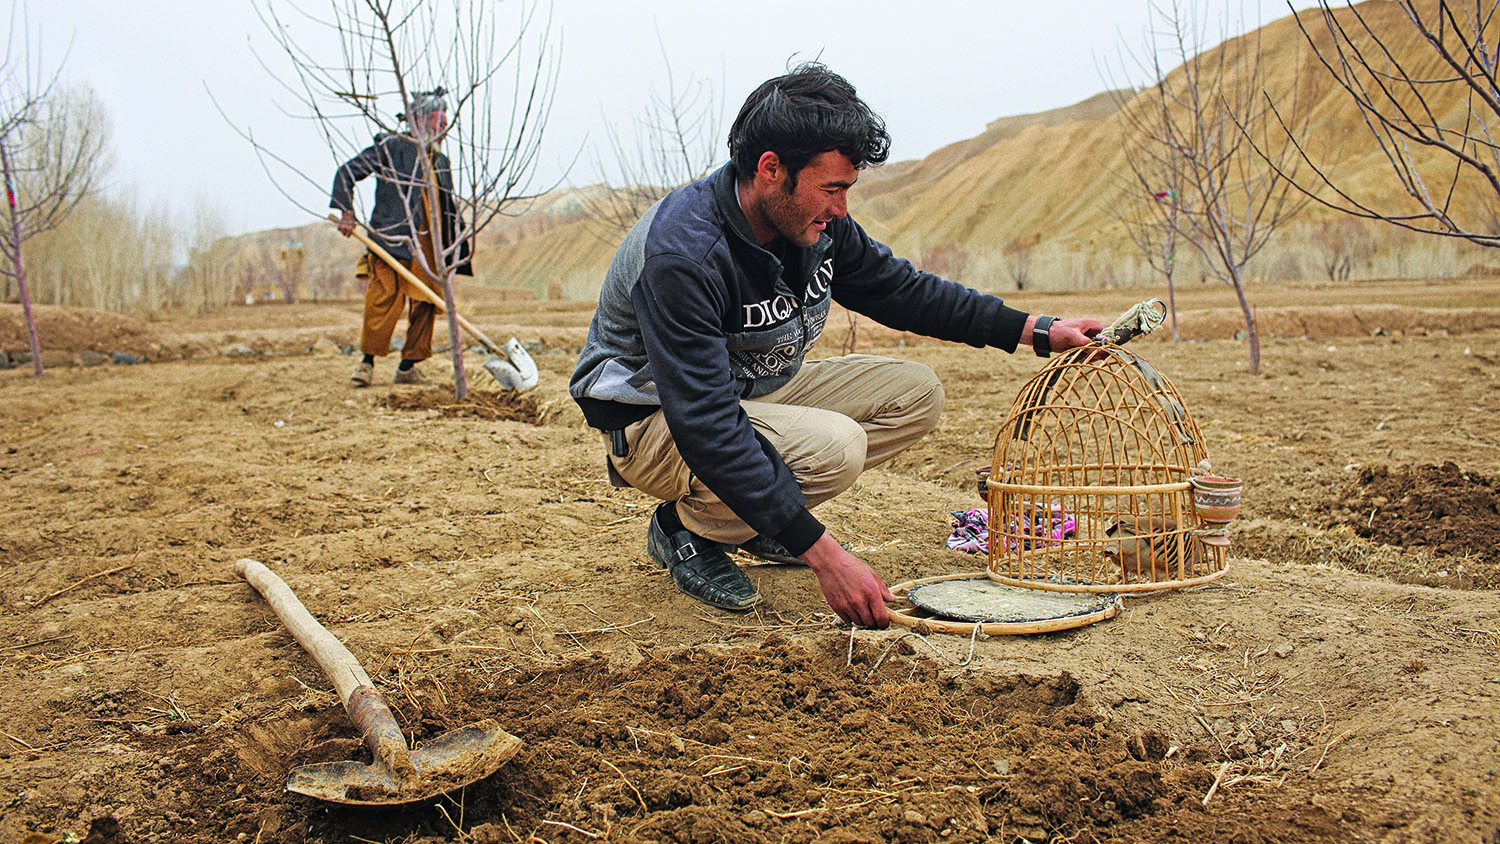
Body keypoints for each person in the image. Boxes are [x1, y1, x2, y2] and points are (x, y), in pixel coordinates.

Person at [569, 63, 1105, 628]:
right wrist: (825, 555)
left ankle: (755, 519)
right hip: (654, 419)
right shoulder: (685, 256)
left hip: (750, 388)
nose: (842, 209)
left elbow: (900, 290)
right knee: (836, 446)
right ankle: (686, 530)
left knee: (915, 394)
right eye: (831, 189)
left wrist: (1039, 330)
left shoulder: (811, 224)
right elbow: (704, 421)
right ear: (770, 169)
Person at [330, 88, 471, 387]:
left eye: (446, 123)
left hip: (430, 250)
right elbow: (346, 173)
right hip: (391, 241)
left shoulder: (440, 161)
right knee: (382, 300)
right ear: (419, 122)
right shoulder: (392, 147)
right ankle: (366, 364)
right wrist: (345, 211)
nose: (443, 129)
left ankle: (407, 367)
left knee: (426, 305)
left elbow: (448, 206)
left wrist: (458, 245)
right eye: (438, 122)